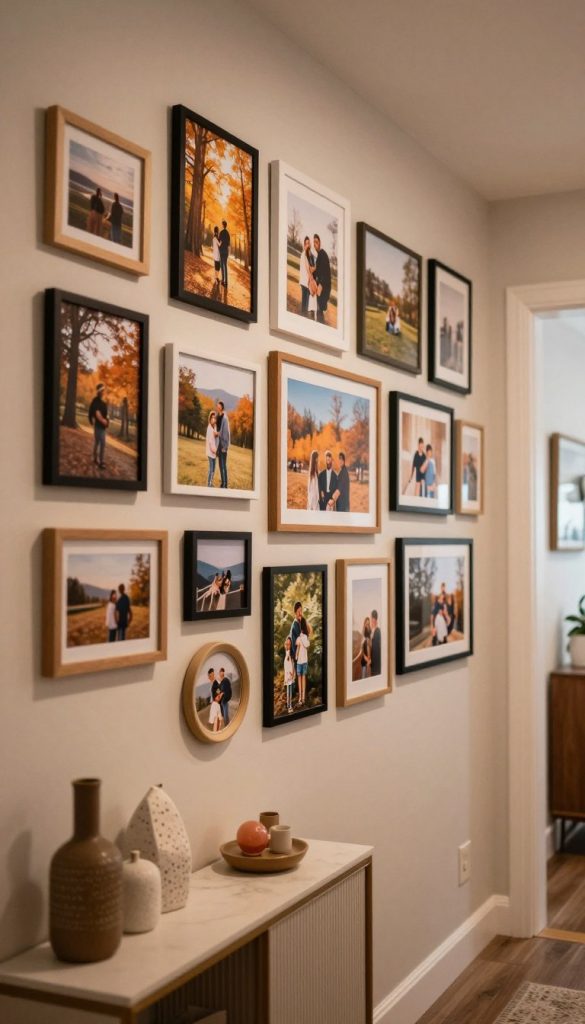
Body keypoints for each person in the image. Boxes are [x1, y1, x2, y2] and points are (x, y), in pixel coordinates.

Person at [88, 383, 109, 470]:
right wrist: (103, 421)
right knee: (102, 443)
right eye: (102, 390)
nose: (103, 392)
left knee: (97, 442)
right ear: (99, 391)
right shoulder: (95, 401)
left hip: (102, 427)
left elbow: (105, 415)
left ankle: (95, 458)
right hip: (98, 426)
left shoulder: (104, 403)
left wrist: (107, 421)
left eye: (103, 390)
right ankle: (101, 462)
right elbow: (96, 413)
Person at [313, 234, 331, 325]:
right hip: (320, 285)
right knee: (319, 308)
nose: (315, 244)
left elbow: (325, 272)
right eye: (314, 243)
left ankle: (320, 325)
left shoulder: (322, 254)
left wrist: (320, 285)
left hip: (322, 286)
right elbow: (318, 271)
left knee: (320, 308)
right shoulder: (320, 255)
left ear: (320, 243)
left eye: (316, 242)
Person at [299, 236, 317, 317]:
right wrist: (311, 281)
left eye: (309, 243)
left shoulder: (309, 255)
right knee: (304, 303)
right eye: (306, 243)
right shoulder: (304, 255)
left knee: (306, 303)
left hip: (306, 282)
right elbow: (308, 270)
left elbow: (310, 269)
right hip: (304, 282)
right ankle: (303, 317)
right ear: (304, 245)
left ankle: (304, 316)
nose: (308, 245)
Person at [295, 618, 311, 706]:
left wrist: (302, 637)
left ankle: (302, 697)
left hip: (303, 661)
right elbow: (298, 647)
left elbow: (306, 644)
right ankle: (301, 697)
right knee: (301, 678)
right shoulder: (301, 638)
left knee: (301, 678)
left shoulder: (304, 638)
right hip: (300, 661)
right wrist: (296, 655)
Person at [215, 400, 230, 488]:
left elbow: (226, 433)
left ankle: (225, 484)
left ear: (222, 407)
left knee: (223, 464)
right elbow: (216, 429)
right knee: (220, 465)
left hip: (223, 444)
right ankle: (222, 483)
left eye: (219, 405)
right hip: (218, 444)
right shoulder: (218, 416)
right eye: (217, 405)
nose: (218, 406)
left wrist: (225, 446)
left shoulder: (225, 418)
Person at [206, 410, 219, 487]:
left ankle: (211, 482)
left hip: (214, 451)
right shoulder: (209, 429)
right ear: (210, 419)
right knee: (211, 468)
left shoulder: (214, 427)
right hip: (211, 452)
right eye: (212, 418)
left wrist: (217, 434)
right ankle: (209, 484)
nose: (213, 419)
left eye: (215, 418)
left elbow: (215, 434)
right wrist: (215, 451)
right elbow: (210, 443)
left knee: (213, 468)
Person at [283, 636, 295, 713]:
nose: (287, 645)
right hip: (287, 673)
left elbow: (292, 664)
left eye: (289, 644)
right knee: (288, 689)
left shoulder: (291, 653)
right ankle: (289, 705)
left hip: (290, 672)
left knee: (290, 689)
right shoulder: (286, 652)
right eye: (286, 644)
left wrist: (292, 672)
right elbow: (286, 664)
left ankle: (289, 705)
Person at [218, 219, 230, 288]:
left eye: (222, 224)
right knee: (225, 266)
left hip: (222, 251)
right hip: (226, 251)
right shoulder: (228, 233)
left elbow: (220, 241)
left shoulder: (221, 232)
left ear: (223, 225)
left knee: (222, 266)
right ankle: (226, 282)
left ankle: (222, 280)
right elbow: (228, 244)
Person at [370, 609, 381, 675]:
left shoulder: (377, 631)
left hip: (376, 663)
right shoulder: (373, 631)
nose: (371, 620)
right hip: (373, 663)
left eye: (371, 618)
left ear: (374, 619)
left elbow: (377, 649)